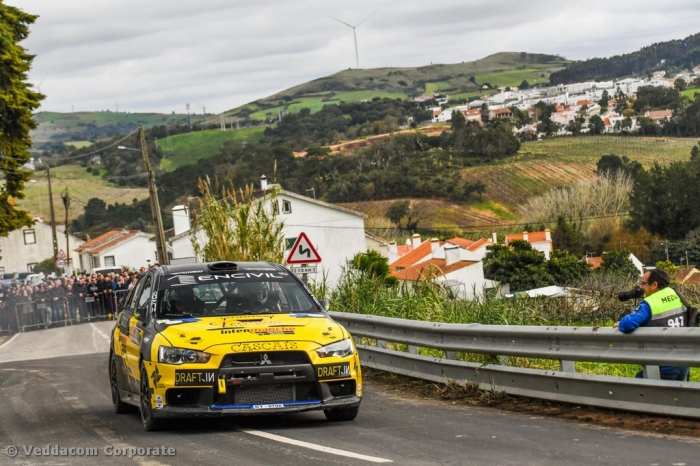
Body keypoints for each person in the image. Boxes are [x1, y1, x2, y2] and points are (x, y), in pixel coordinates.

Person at [614, 268, 690, 381]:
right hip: (684, 361)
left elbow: (628, 324)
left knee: (635, 392)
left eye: (643, 283)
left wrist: (621, 322)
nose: (640, 287)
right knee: (673, 397)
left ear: (654, 285)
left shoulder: (650, 303)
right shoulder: (675, 294)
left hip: (662, 364)